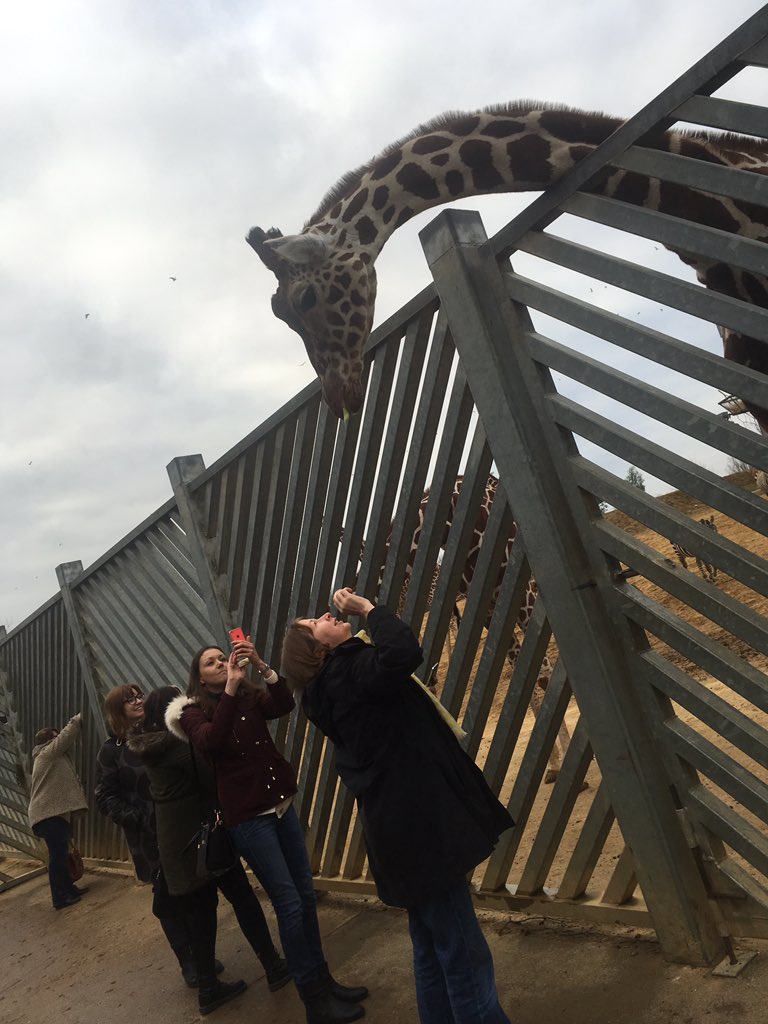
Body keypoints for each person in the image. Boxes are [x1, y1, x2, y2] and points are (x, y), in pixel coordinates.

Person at [280, 589, 514, 1024]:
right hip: (422, 828)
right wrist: (369, 610)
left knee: (430, 946)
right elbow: (403, 652)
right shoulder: (347, 673)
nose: (326, 615)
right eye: (316, 623)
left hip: (396, 831)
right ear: (318, 650)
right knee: (463, 951)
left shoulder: (329, 688)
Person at [169, 640, 368, 1024]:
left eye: (222, 657)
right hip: (249, 819)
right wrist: (229, 688)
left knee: (306, 895)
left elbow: (283, 704)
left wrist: (260, 665)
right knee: (289, 903)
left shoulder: (246, 695)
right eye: (211, 663)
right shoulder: (192, 713)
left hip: (280, 805)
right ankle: (313, 1000)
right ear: (199, 677)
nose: (221, 663)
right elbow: (213, 741)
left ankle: (325, 982)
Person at [128, 686, 287, 1015]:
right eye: (181, 705)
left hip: (180, 846)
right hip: (202, 841)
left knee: (200, 917)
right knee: (241, 899)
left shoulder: (152, 747)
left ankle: (209, 988)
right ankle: (271, 965)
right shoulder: (177, 746)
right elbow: (213, 764)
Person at [96, 684, 225, 988]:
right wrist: (138, 818)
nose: (137, 700)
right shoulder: (112, 750)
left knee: (194, 891)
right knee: (168, 898)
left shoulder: (153, 733)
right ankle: (187, 961)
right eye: (129, 699)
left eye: (138, 695)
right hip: (149, 839)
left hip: (181, 827)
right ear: (117, 710)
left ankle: (202, 957)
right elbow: (104, 797)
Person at [28, 712, 89, 910]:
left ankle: (68, 890)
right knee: (57, 857)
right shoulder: (46, 753)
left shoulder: (48, 758)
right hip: (48, 815)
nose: (58, 739)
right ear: (48, 741)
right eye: (55, 737)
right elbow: (66, 737)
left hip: (51, 814)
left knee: (61, 855)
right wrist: (77, 719)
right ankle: (60, 898)